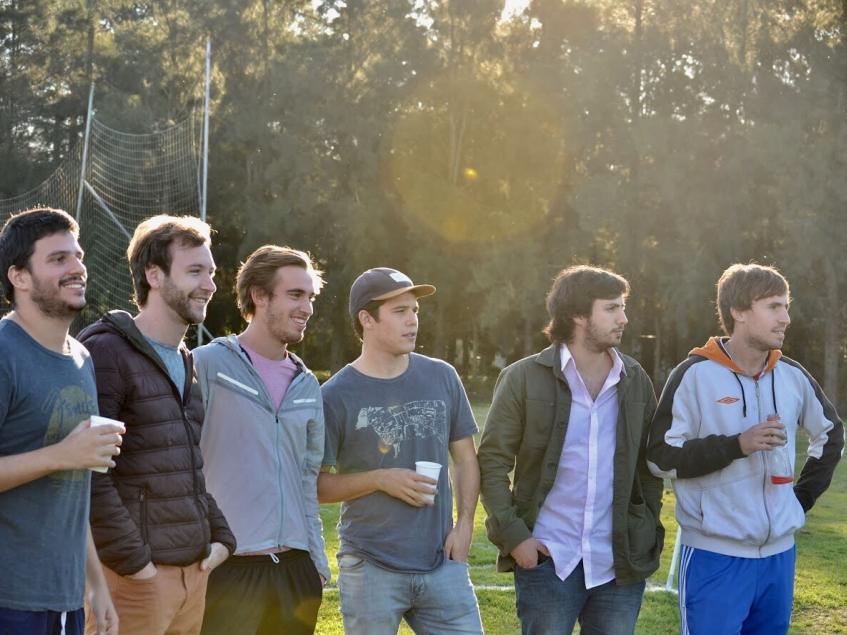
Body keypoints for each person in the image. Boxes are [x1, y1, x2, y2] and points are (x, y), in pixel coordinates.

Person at [647, 263, 844, 635]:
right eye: (773, 306)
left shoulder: (792, 374)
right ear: (738, 311)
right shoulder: (694, 375)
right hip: (713, 556)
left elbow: (831, 436)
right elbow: (660, 457)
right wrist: (737, 445)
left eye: (786, 306)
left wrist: (799, 500)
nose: (785, 317)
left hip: (779, 559)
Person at [478, 265, 664, 635]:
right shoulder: (523, 377)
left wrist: (647, 528)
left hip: (618, 562)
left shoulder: (635, 379)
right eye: (611, 308)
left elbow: (649, 467)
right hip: (548, 558)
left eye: (623, 307)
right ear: (578, 314)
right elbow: (492, 462)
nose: (623, 318)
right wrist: (516, 539)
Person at [78, 214, 236, 635]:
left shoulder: (187, 360)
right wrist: (137, 565)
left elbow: (184, 466)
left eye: (211, 272)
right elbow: (90, 475)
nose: (209, 284)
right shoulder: (106, 352)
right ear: (154, 275)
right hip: (134, 581)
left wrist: (220, 537)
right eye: (195, 271)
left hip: (192, 575)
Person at [318, 267, 483, 634]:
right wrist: (380, 479)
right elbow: (317, 487)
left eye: (415, 311)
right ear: (366, 319)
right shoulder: (335, 395)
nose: (412, 321)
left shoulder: (442, 376)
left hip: (442, 559)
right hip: (370, 565)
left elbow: (466, 458)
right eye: (399, 312)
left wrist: (466, 523)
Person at [193, 245, 329, 634]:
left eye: (310, 297)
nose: (307, 308)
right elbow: (183, 462)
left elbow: (306, 479)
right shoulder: (208, 365)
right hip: (227, 568)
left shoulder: (308, 385)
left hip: (295, 572)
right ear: (259, 295)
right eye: (295, 295)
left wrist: (316, 564)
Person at [0, 208, 122, 635]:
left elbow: (73, 495)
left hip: (66, 599)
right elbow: (64, 460)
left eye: (78, 256)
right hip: (9, 600)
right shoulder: (3, 352)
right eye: (58, 259)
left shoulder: (81, 358)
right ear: (19, 277)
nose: (77, 269)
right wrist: (61, 454)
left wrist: (95, 584)